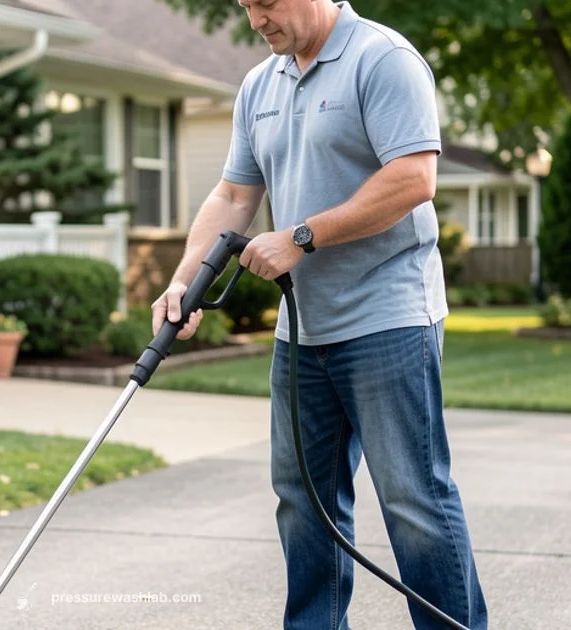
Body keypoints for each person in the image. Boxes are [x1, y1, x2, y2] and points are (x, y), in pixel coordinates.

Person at [150, 1, 488, 628]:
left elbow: (414, 177)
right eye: (246, 4)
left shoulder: (382, 58)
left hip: (388, 316)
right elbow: (233, 194)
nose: (256, 21)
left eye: (266, 3)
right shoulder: (260, 84)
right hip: (302, 328)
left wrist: (300, 237)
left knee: (413, 500)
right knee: (303, 501)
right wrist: (184, 282)